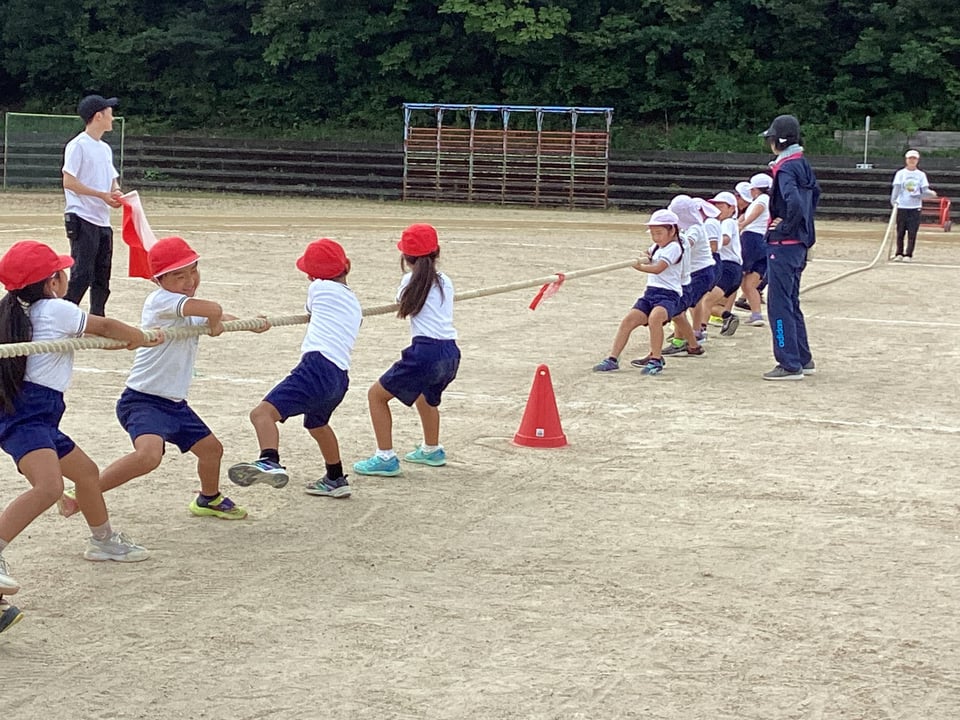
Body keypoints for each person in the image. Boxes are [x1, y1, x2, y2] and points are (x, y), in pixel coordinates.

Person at [0, 241, 161, 632]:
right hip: (28, 416)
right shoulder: (56, 309)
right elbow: (103, 326)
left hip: (37, 415)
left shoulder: (16, 310)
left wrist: (123, 340)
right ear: (52, 281)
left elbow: (91, 340)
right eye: (61, 272)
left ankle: (102, 540)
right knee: (49, 487)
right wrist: (140, 336)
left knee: (85, 473)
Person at [64, 237, 267, 522]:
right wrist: (215, 322)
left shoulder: (186, 308)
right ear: (158, 280)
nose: (190, 281)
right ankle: (82, 492)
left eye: (193, 271)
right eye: (179, 276)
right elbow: (213, 311)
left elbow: (217, 316)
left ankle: (208, 498)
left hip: (174, 404)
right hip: (142, 400)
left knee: (212, 450)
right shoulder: (162, 301)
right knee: (148, 457)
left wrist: (249, 323)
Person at [229, 239, 361, 497]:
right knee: (317, 425)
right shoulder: (353, 302)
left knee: (261, 414)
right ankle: (335, 478)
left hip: (316, 367)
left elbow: (310, 309)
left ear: (312, 275)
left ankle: (269, 460)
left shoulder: (318, 287)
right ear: (347, 266)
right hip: (339, 376)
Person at [353, 224, 461, 476]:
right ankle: (432, 449)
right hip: (450, 352)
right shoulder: (446, 281)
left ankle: (385, 457)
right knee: (426, 396)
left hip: (425, 352)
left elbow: (404, 306)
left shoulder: (408, 282)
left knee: (376, 396)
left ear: (405, 257)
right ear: (437, 252)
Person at [759, 114, 820, 381]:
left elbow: (793, 201)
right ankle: (803, 358)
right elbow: (814, 195)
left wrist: (784, 227)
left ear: (778, 141)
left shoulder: (785, 168)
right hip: (800, 245)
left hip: (784, 245)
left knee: (778, 305)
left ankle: (788, 362)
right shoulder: (803, 163)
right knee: (792, 302)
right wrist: (803, 226)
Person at [593, 210, 685, 376]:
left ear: (672, 230)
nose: (656, 237)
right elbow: (647, 253)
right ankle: (612, 358)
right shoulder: (657, 247)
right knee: (628, 321)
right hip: (650, 293)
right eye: (653, 233)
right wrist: (644, 256)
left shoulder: (674, 247)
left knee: (655, 319)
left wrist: (639, 267)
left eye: (659, 233)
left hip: (669, 295)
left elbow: (658, 268)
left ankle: (656, 359)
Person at [62, 94, 122, 317]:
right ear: (98, 116)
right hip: (82, 216)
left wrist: (116, 192)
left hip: (102, 219)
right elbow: (69, 181)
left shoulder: (104, 148)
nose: (112, 118)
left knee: (102, 275)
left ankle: (98, 318)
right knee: (82, 273)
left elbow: (111, 179)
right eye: (109, 113)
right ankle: (65, 316)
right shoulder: (78, 145)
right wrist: (101, 195)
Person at [737, 174, 773, 326]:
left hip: (752, 239)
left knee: (739, 274)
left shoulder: (762, 200)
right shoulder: (768, 200)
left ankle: (720, 306)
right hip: (762, 241)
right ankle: (756, 314)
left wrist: (743, 224)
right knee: (749, 284)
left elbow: (757, 211)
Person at [891, 150, 937, 262]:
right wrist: (893, 201)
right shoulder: (900, 173)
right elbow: (896, 188)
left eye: (914, 159)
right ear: (906, 160)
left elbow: (925, 190)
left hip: (915, 207)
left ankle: (908, 254)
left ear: (917, 160)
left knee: (912, 232)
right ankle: (899, 253)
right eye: (910, 158)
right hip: (902, 206)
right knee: (900, 231)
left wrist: (927, 194)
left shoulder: (921, 175)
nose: (912, 161)